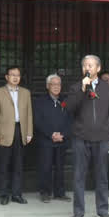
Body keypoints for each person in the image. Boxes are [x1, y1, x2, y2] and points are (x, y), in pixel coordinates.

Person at [65, 55, 109, 217]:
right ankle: (78, 212)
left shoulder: (107, 88)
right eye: (85, 65)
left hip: (102, 138)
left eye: (90, 65)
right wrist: (82, 89)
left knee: (102, 175)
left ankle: (102, 211)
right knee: (78, 176)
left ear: (98, 68)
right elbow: (69, 108)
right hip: (81, 138)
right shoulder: (76, 87)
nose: (87, 68)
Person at [0, 66, 33, 205]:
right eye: (12, 75)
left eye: (18, 75)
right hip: (4, 132)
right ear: (6, 77)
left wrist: (29, 132)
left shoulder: (26, 93)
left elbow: (29, 114)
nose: (15, 77)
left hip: (21, 130)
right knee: (4, 165)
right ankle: (3, 194)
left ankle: (16, 194)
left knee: (18, 165)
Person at [33, 74, 71, 203]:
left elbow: (70, 120)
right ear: (47, 86)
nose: (56, 87)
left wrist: (63, 135)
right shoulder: (40, 101)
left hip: (61, 140)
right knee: (45, 167)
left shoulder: (65, 101)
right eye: (53, 84)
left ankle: (60, 193)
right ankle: (45, 192)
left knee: (60, 168)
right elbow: (37, 121)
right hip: (46, 140)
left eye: (58, 84)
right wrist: (51, 134)